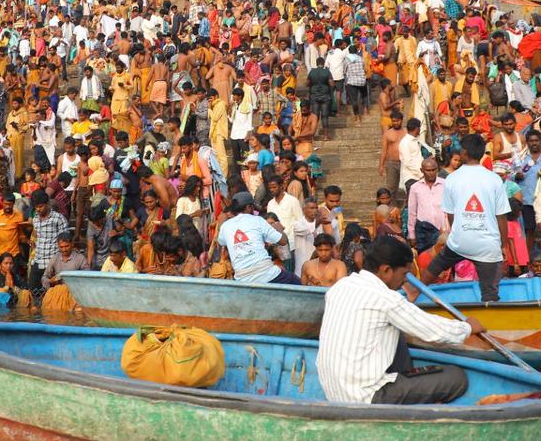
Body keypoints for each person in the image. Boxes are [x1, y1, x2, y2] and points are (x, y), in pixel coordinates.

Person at [318, 237, 482, 405]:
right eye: (404, 274)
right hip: (367, 397)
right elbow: (433, 331)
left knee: (398, 337)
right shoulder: (386, 299)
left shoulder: (340, 287)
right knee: (456, 377)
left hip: (333, 392)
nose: (405, 280)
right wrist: (467, 327)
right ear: (386, 270)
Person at [423, 134, 510, 302]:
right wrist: (504, 245)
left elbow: (450, 215)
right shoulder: (494, 179)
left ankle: (413, 292)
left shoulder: (452, 178)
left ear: (464, 153)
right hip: (487, 243)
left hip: (460, 240)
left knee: (434, 268)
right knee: (490, 293)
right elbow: (501, 216)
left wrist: (457, 232)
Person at [215, 193, 298, 284]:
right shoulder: (258, 220)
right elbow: (283, 241)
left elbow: (221, 242)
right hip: (266, 273)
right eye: (252, 206)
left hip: (242, 278)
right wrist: (279, 229)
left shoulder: (226, 226)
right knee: (297, 283)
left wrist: (222, 223)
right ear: (248, 207)